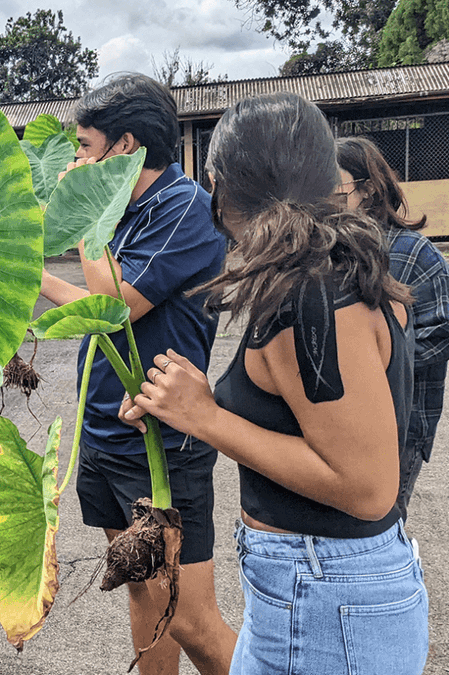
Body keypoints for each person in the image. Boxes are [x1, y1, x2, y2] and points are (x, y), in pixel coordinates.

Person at [122, 93, 428, 674]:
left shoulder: (312, 295)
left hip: (324, 597)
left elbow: (366, 487)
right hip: (311, 591)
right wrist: (192, 399)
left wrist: (208, 419)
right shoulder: (331, 269)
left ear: (220, 184)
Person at [39, 73, 235, 675]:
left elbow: (118, 304)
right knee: (142, 591)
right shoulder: (126, 209)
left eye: (84, 147)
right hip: (103, 433)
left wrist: (82, 215)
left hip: (160, 439)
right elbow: (99, 312)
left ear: (125, 147)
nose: (75, 160)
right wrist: (30, 281)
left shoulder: (185, 208)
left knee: (190, 617)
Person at [335, 136, 449, 515]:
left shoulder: (415, 254)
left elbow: (439, 336)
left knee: (381, 525)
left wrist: (374, 360)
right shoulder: (330, 249)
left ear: (367, 190)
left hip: (399, 431)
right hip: (340, 428)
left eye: (336, 188)